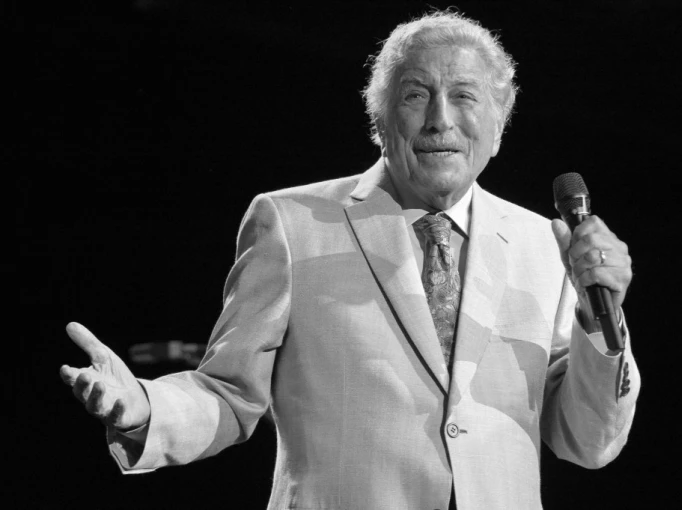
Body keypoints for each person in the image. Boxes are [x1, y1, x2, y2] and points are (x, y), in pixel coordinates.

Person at [60, 11, 639, 510]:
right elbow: (229, 394)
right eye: (416, 95)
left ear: (498, 128)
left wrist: (600, 322)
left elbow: (587, 441)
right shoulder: (292, 224)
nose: (441, 118)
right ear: (380, 120)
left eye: (465, 96)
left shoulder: (546, 244)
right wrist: (146, 408)